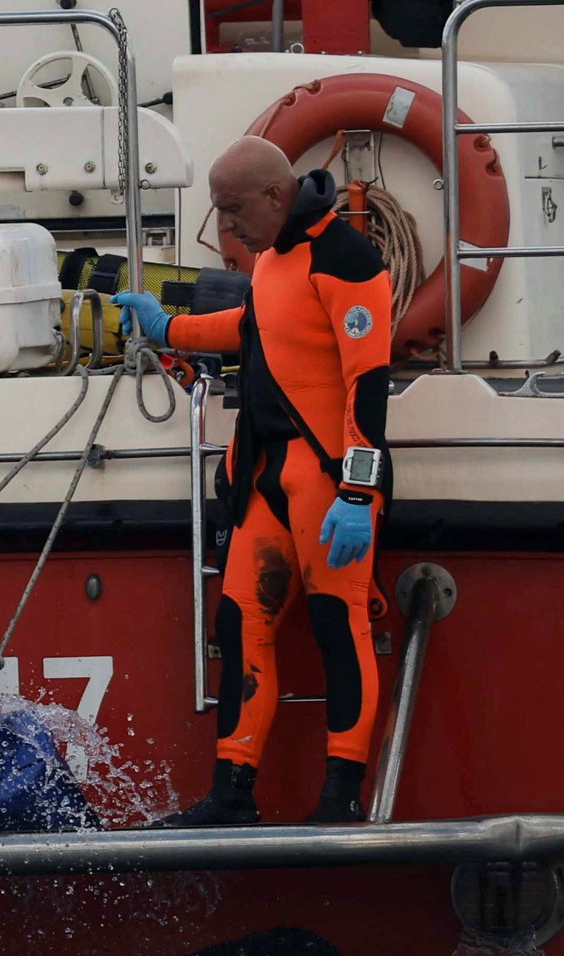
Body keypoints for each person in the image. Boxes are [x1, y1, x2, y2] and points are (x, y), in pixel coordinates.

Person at [116, 136, 393, 826]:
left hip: (328, 480)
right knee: (239, 625)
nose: (226, 228)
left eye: (233, 209)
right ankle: (232, 793)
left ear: (275, 196)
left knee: (339, 626)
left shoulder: (348, 261)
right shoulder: (273, 260)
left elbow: (369, 383)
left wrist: (358, 494)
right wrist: (170, 326)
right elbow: (256, 326)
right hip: (266, 476)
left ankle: (340, 798)